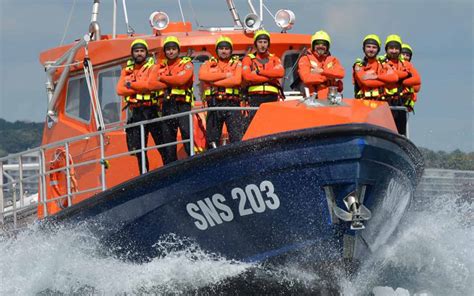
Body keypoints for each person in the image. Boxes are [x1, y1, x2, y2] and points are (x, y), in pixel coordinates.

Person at [116, 38, 162, 174]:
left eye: (142, 51)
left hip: (152, 110)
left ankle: (169, 169)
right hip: (136, 112)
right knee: (140, 147)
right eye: (136, 51)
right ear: (132, 53)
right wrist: (140, 87)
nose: (139, 54)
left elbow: (150, 86)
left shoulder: (153, 67)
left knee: (162, 143)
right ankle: (144, 173)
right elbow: (120, 90)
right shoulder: (126, 70)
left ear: (146, 53)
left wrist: (131, 85)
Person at [148, 36, 194, 164]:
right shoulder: (159, 66)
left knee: (186, 134)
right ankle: (170, 166)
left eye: (173, 49)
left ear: (178, 50)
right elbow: (151, 84)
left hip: (182, 105)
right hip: (167, 106)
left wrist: (162, 78)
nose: (171, 52)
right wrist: (172, 80)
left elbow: (182, 80)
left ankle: (192, 162)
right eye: (168, 49)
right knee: (168, 139)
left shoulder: (186, 64)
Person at [199, 36, 243, 149]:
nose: (224, 51)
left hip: (232, 104)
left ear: (231, 50)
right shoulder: (208, 64)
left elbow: (236, 80)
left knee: (236, 137)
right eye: (221, 48)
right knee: (211, 139)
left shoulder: (237, 64)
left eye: (226, 48)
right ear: (216, 50)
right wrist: (225, 76)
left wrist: (213, 82)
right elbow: (202, 76)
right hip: (214, 104)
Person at [379, 35, 421, 135]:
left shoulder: (406, 64)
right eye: (391, 48)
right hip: (383, 104)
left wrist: (397, 79)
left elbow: (417, 81)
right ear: (386, 49)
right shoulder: (379, 62)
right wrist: (404, 76)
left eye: (396, 48)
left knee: (401, 132)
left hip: (400, 104)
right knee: (383, 131)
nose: (394, 51)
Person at [242, 29, 284, 123]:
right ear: (255, 44)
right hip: (254, 98)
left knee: (272, 123)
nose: (262, 45)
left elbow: (280, 73)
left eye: (265, 42)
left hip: (272, 97)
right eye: (260, 42)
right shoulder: (248, 59)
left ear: (268, 44)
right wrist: (271, 76)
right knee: (254, 123)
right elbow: (247, 76)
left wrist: (259, 72)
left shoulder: (275, 59)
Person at [297, 30, 345, 99]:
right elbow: (306, 78)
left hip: (332, 99)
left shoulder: (333, 60)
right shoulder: (305, 59)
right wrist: (327, 76)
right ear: (313, 45)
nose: (321, 46)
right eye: (317, 44)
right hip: (312, 99)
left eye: (324, 44)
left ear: (328, 46)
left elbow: (341, 73)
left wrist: (322, 71)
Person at [352, 34, 398, 100]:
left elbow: (394, 78)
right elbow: (366, 82)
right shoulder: (359, 65)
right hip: (363, 103)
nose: (371, 50)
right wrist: (386, 81)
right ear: (363, 48)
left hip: (382, 103)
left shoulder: (383, 64)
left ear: (378, 50)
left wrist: (376, 77)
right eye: (368, 47)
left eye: (374, 47)